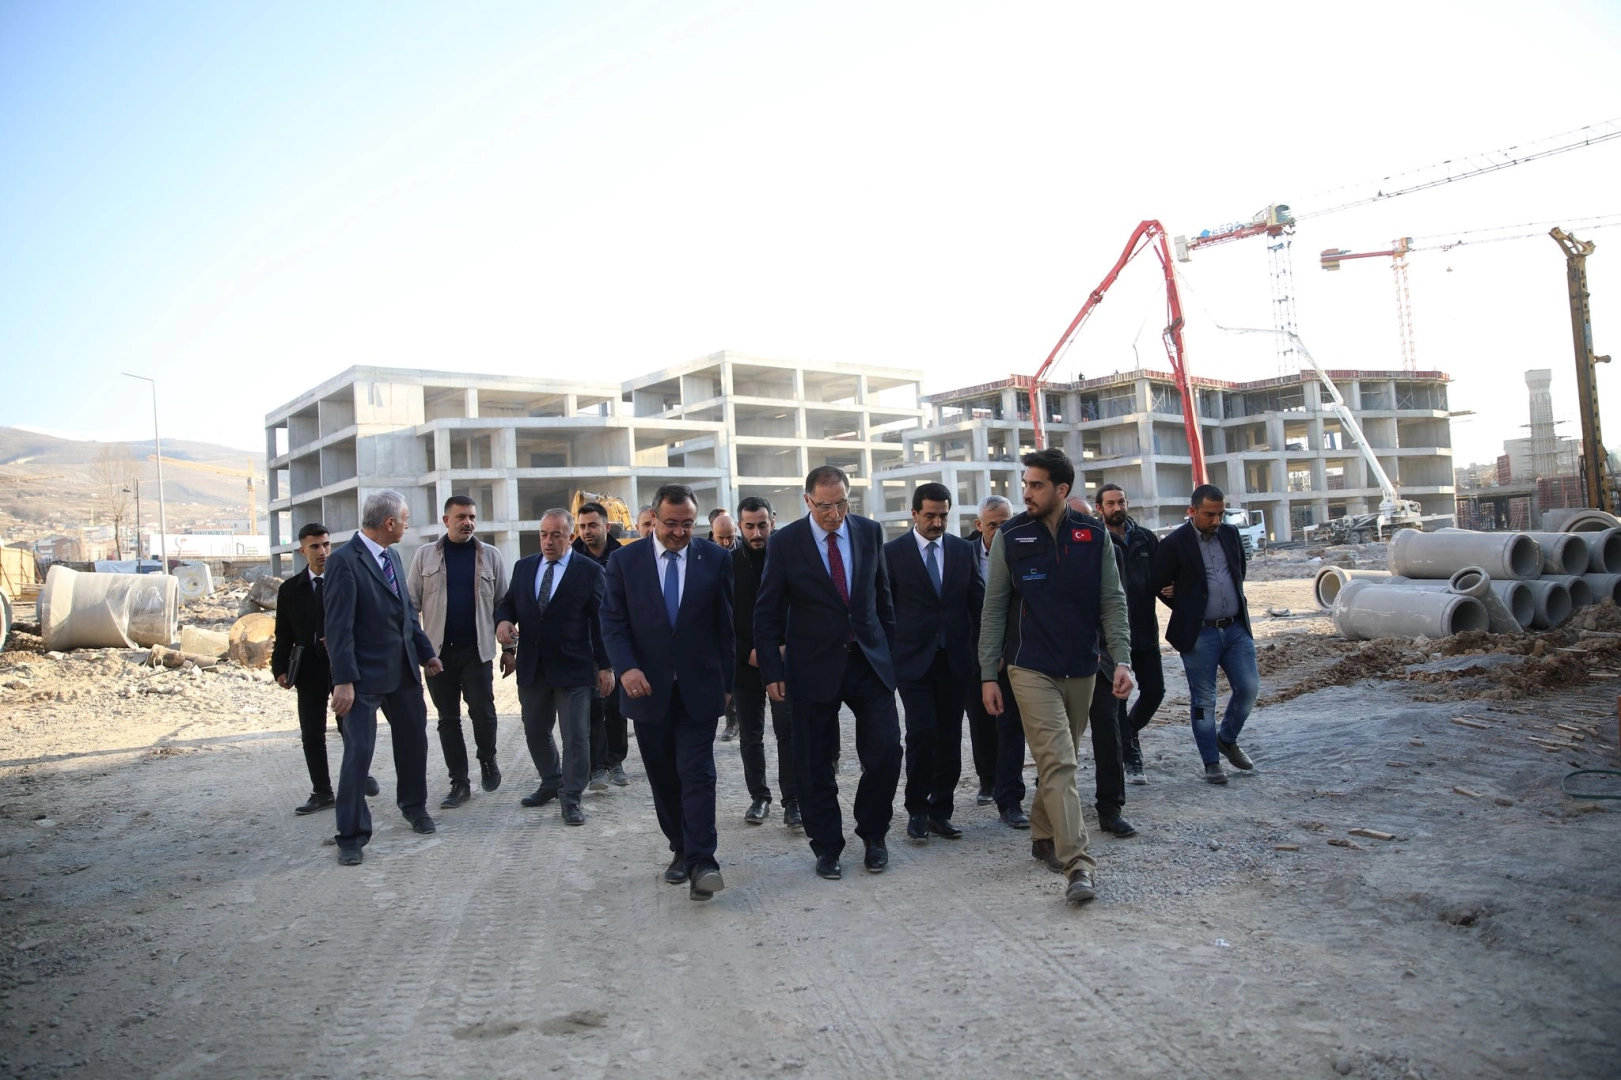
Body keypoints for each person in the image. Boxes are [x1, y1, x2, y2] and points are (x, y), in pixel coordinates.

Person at [979, 450, 1133, 904]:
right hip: (1029, 666)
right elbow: (993, 609)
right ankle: (1078, 864)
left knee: (1058, 761)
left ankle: (1044, 832)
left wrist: (1121, 660)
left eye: (1036, 485)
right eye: (1025, 483)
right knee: (1061, 761)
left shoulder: (1094, 535)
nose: (1026, 492)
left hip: (1083, 666)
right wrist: (988, 674)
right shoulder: (1010, 536)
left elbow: (1112, 601)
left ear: (1061, 489)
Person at [755, 465, 902, 881]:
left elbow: (882, 598)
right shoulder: (785, 543)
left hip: (867, 661)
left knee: (887, 749)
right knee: (814, 761)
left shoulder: (869, 532)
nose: (834, 514)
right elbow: (766, 611)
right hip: (811, 665)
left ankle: (874, 834)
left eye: (841, 504)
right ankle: (826, 846)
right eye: (824, 506)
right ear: (807, 501)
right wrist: (772, 669)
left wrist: (889, 652)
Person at [601, 484, 734, 901]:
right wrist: (626, 667)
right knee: (663, 776)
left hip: (699, 687)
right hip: (647, 689)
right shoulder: (625, 562)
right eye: (671, 523)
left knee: (697, 772)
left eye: (687, 524)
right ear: (654, 519)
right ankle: (680, 846)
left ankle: (703, 861)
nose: (679, 532)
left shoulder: (715, 559)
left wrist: (728, 685)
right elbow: (613, 622)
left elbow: (726, 628)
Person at [323, 490, 444, 866]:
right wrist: (343, 680)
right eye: (405, 519)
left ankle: (414, 807)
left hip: (403, 670)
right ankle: (351, 836)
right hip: (362, 678)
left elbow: (406, 613)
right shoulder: (343, 561)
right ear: (390, 523)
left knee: (413, 743)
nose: (408, 524)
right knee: (358, 754)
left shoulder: (392, 555)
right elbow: (338, 627)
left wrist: (425, 652)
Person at [495, 508, 613, 825]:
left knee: (575, 736)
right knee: (535, 729)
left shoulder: (589, 572)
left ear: (570, 537)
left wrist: (606, 666)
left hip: (574, 668)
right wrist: (504, 621)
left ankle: (571, 796)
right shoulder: (524, 567)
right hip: (533, 667)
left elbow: (601, 623)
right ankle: (551, 780)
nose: (548, 541)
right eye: (544, 534)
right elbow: (509, 603)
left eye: (556, 535)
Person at [884, 482, 981, 842]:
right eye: (930, 515)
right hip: (912, 662)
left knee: (950, 738)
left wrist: (987, 652)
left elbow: (977, 603)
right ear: (914, 513)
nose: (937, 522)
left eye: (943, 515)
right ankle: (917, 809)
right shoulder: (892, 553)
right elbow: (884, 608)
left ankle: (941, 811)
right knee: (922, 733)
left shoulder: (962, 550)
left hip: (955, 660)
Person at [1151, 483, 1259, 785]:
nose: (1216, 520)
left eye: (1220, 514)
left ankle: (1227, 739)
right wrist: (1186, 605)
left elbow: (1239, 571)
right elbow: (1158, 584)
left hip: (1236, 629)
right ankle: (1211, 761)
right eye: (1210, 514)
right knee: (1204, 700)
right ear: (1192, 511)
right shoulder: (1174, 543)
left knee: (1249, 688)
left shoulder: (1230, 534)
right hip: (1200, 635)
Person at [406, 496, 509, 810]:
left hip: (477, 652)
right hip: (438, 655)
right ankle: (459, 783)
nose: (468, 522)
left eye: (472, 517)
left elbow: (504, 605)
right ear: (446, 520)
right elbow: (410, 606)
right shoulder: (425, 556)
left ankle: (487, 758)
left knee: (483, 712)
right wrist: (418, 652)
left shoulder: (490, 556)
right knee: (448, 719)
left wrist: (509, 649)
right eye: (461, 517)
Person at [273, 524, 378, 813]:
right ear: (302, 550)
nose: (323, 551)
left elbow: (366, 621)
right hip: (308, 670)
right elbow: (283, 633)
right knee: (312, 733)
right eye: (315, 546)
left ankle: (360, 774)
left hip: (343, 666)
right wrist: (279, 668)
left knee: (351, 726)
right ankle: (322, 792)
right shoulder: (290, 590)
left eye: (326, 545)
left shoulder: (347, 580)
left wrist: (342, 640)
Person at [730, 497, 798, 827]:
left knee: (788, 733)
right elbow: (722, 617)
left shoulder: (790, 558)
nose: (756, 533)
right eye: (749, 526)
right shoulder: (728, 565)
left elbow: (800, 608)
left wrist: (784, 647)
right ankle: (759, 797)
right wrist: (746, 652)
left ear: (773, 521)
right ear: (739, 527)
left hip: (783, 660)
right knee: (750, 735)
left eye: (762, 525)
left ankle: (793, 800)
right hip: (744, 665)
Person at [962, 495, 1029, 828]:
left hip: (1015, 653)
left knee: (1011, 724)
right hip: (973, 653)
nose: (1001, 531)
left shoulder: (1025, 552)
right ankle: (987, 779)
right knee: (980, 719)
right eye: (993, 525)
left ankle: (1010, 798)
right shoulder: (963, 554)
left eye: (1006, 523)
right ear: (979, 526)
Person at [1095, 483, 1166, 784]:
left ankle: (1130, 731)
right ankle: (1131, 756)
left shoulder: (1146, 538)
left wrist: (1171, 590)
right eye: (1110, 503)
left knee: (1155, 691)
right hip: (1111, 637)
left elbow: (1161, 577)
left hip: (1145, 631)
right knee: (1118, 700)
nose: (1117, 508)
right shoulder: (1096, 539)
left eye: (1121, 502)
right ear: (1099, 508)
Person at [572, 502, 630, 791]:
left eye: (592, 525)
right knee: (593, 707)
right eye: (582, 526)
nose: (586, 531)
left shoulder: (623, 557)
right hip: (584, 642)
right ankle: (597, 766)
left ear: (606, 527)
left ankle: (616, 761)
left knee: (616, 706)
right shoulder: (572, 558)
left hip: (617, 640)